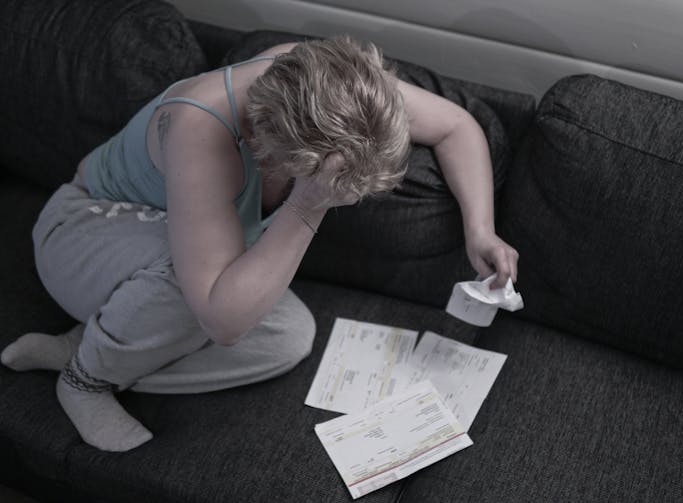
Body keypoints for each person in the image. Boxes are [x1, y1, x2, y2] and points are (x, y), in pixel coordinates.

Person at [0, 36, 519, 452]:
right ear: (266, 148)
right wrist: (309, 204)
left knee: (288, 338)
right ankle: (84, 378)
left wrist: (481, 231)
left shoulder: (338, 85)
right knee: (202, 295)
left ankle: (88, 343)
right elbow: (222, 320)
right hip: (86, 229)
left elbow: (456, 127)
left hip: (167, 255)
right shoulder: (200, 127)